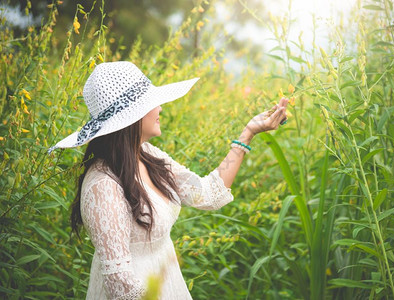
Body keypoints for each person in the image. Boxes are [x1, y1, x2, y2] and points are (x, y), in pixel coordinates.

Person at [48, 61, 288, 299]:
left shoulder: (147, 155)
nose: (160, 108)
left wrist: (249, 132)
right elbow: (121, 286)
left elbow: (207, 193)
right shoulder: (103, 185)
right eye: (152, 103)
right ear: (131, 117)